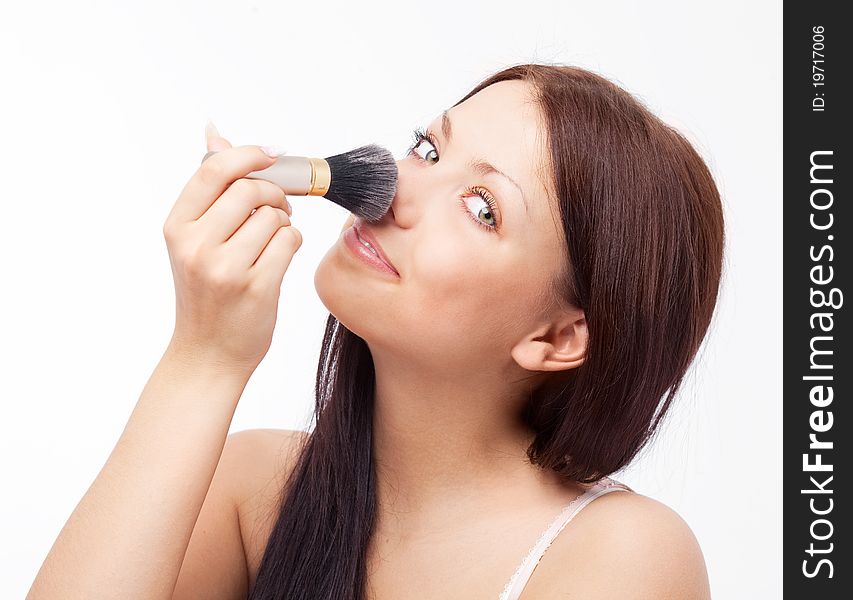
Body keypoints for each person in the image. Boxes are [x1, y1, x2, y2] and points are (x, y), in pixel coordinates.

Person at [28, 63, 722, 600]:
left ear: (555, 338)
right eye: (427, 148)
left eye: (480, 207)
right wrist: (204, 358)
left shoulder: (621, 554)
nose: (395, 189)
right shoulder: (254, 492)